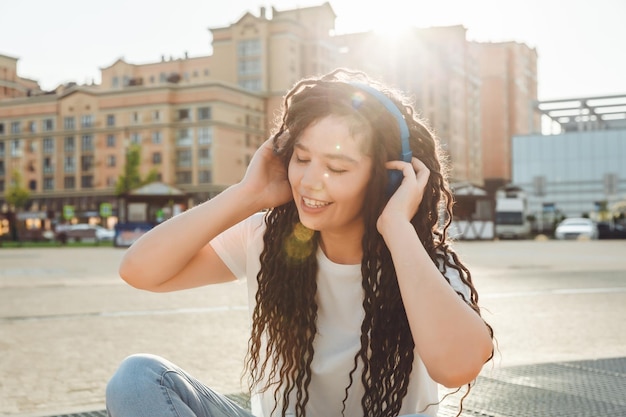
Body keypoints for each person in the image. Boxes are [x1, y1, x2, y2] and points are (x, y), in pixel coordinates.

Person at [106, 68, 494, 417]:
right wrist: (247, 194)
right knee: (138, 379)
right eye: (302, 158)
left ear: (388, 178)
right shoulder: (265, 237)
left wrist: (396, 226)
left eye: (336, 168)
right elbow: (140, 271)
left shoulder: (425, 264)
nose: (310, 181)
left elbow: (456, 367)